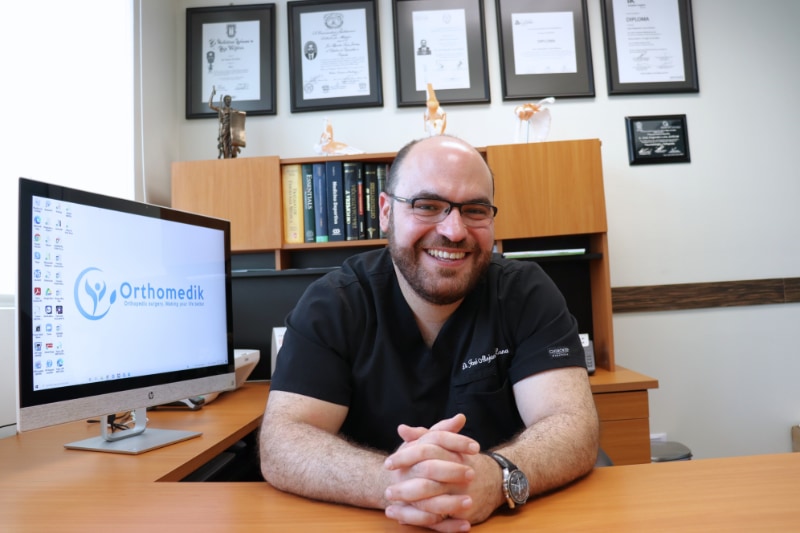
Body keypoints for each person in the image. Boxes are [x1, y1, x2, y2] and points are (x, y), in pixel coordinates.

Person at [260, 135, 599, 532]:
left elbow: (573, 425)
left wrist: (496, 477)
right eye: (427, 206)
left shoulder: (526, 293)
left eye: (475, 210)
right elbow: (282, 441)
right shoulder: (334, 303)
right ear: (386, 212)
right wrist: (395, 484)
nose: (454, 231)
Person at [208, 86, 245, 159]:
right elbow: (210, 105)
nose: (229, 101)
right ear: (224, 101)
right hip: (225, 129)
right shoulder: (221, 109)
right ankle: (226, 159)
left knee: (233, 144)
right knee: (225, 145)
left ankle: (234, 155)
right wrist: (212, 94)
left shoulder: (233, 110)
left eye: (230, 100)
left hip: (232, 129)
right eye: (227, 100)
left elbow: (240, 118)